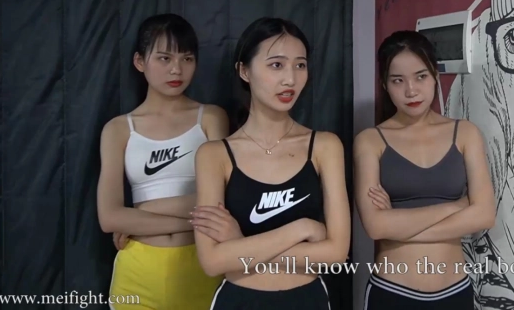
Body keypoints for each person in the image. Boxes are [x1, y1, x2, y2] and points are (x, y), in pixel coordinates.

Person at [191, 17, 350, 310]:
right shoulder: (214, 155)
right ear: (244, 71)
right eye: (276, 65)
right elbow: (212, 261)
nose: (290, 79)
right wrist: (302, 229)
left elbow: (336, 253)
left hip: (307, 300)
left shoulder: (325, 146)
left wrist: (240, 245)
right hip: (239, 301)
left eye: (300, 65)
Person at [354, 30, 496, 310]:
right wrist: (456, 207)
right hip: (392, 291)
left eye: (420, 76)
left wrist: (399, 227)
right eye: (398, 80)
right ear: (384, 84)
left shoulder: (465, 133)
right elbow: (375, 226)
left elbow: (484, 214)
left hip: (454, 291)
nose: (411, 90)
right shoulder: (370, 141)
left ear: (434, 75)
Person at [97, 13, 229, 309]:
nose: (176, 69)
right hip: (138, 272)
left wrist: (141, 212)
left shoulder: (210, 118)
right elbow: (109, 217)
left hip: (202, 266)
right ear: (139, 61)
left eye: (187, 58)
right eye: (164, 58)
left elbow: (220, 201)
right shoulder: (118, 129)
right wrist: (195, 217)